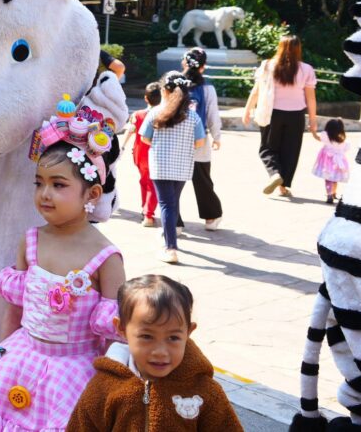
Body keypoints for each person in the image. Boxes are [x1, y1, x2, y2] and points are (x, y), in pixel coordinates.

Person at [0, 106, 126, 431]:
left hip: (72, 374)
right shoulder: (32, 240)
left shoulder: (106, 257)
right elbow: (15, 308)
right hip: (21, 356)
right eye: (39, 183)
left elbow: (115, 336)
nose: (44, 194)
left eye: (58, 185)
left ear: (91, 194)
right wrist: (1, 355)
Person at [66, 275, 243, 431]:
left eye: (173, 338)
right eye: (146, 336)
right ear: (121, 329)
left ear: (188, 331)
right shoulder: (103, 389)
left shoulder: (205, 392)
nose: (160, 352)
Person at [138, 72, 205, 264]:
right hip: (183, 165)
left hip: (160, 165)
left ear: (164, 91)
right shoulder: (192, 117)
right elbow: (200, 142)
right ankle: (169, 235)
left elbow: (145, 138)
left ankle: (170, 247)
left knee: (166, 204)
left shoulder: (155, 113)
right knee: (172, 202)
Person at [243, 35, 319, 197]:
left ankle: (274, 174)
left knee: (267, 148)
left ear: (280, 47)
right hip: (296, 116)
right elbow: (311, 98)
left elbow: (257, 90)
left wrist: (247, 109)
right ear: (298, 49)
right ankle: (283, 186)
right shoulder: (306, 69)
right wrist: (313, 120)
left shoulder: (268, 65)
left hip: (272, 114)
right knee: (290, 151)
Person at [182, 48, 224, 230]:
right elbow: (212, 115)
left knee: (173, 183)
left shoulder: (176, 85)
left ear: (184, 63)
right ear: (203, 66)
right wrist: (217, 136)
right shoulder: (208, 89)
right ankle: (211, 218)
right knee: (203, 180)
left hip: (176, 141)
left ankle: (174, 223)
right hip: (199, 140)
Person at [125, 82, 162, 227]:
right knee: (153, 183)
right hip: (155, 153)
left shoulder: (137, 115)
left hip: (140, 153)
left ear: (146, 98)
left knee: (144, 180)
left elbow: (130, 130)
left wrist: (123, 146)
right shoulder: (163, 115)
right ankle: (148, 214)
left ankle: (144, 207)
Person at [311, 117, 349, 204]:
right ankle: (334, 193)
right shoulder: (343, 140)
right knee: (335, 178)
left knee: (328, 178)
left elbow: (318, 138)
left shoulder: (326, 136)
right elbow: (345, 149)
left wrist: (313, 132)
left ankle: (329, 195)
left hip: (327, 162)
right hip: (338, 162)